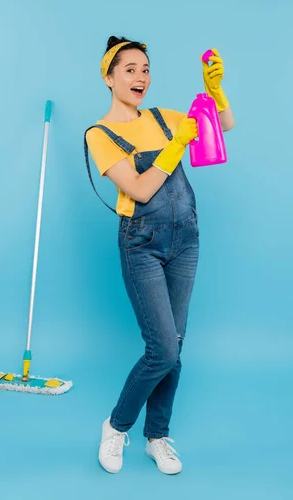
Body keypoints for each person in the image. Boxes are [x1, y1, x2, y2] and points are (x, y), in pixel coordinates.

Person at [84, 36, 235, 475]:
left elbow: (223, 125)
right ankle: (116, 426)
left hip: (186, 238)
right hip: (142, 244)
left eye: (146, 69)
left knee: (178, 345)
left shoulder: (163, 116)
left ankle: (157, 437)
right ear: (109, 77)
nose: (141, 77)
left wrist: (216, 92)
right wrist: (173, 147)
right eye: (130, 69)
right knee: (163, 348)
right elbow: (139, 188)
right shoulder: (100, 134)